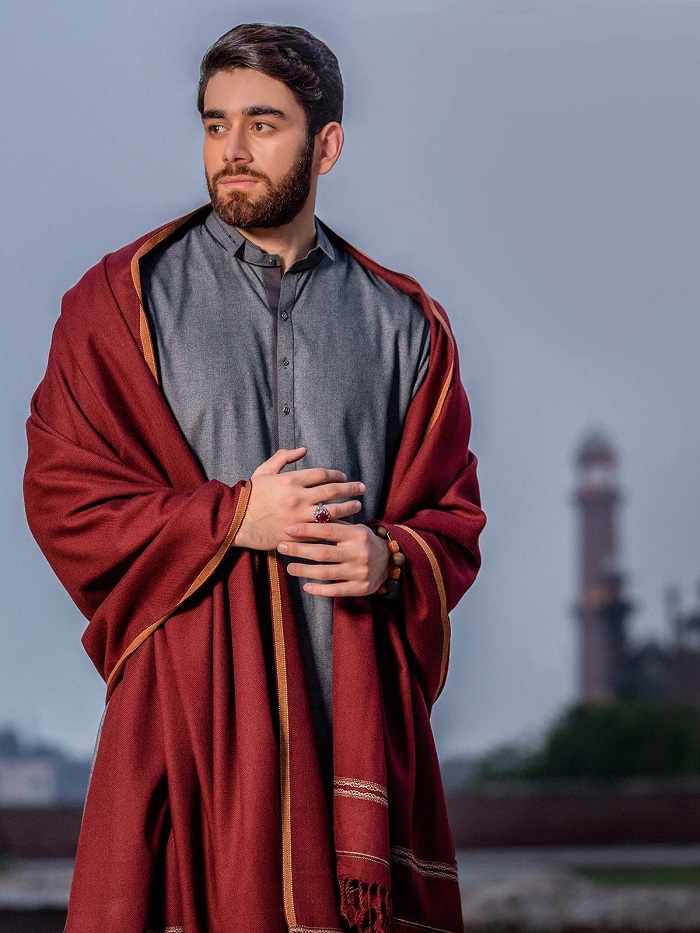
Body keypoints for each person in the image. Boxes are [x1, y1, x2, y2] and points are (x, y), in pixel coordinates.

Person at [23, 22, 487, 933]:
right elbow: (62, 494)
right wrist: (234, 516)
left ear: (327, 145)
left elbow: (454, 514)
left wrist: (390, 557)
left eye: (262, 124)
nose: (231, 150)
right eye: (214, 124)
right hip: (187, 727)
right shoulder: (121, 304)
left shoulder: (406, 323)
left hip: (349, 728)